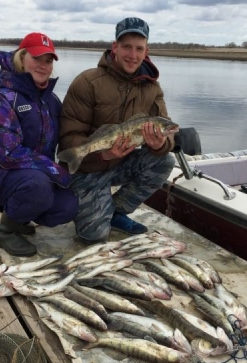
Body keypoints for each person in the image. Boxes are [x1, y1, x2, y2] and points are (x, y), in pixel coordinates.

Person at [59, 17, 175, 244]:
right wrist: (104, 154)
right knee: (94, 235)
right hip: (88, 168)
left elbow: (169, 130)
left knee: (165, 161)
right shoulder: (87, 82)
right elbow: (67, 139)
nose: (133, 55)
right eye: (126, 47)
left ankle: (115, 212)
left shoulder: (152, 88)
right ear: (115, 47)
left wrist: (160, 144)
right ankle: (94, 207)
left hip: (121, 163)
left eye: (139, 48)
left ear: (146, 51)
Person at [0, 32, 78, 257]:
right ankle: (6, 232)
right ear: (22, 58)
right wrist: (54, 171)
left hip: (32, 174)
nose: (43, 65)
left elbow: (70, 135)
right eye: (37, 58)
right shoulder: (2, 99)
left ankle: (19, 218)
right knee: (37, 186)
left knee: (68, 205)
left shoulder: (52, 100)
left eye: (48, 60)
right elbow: (7, 154)